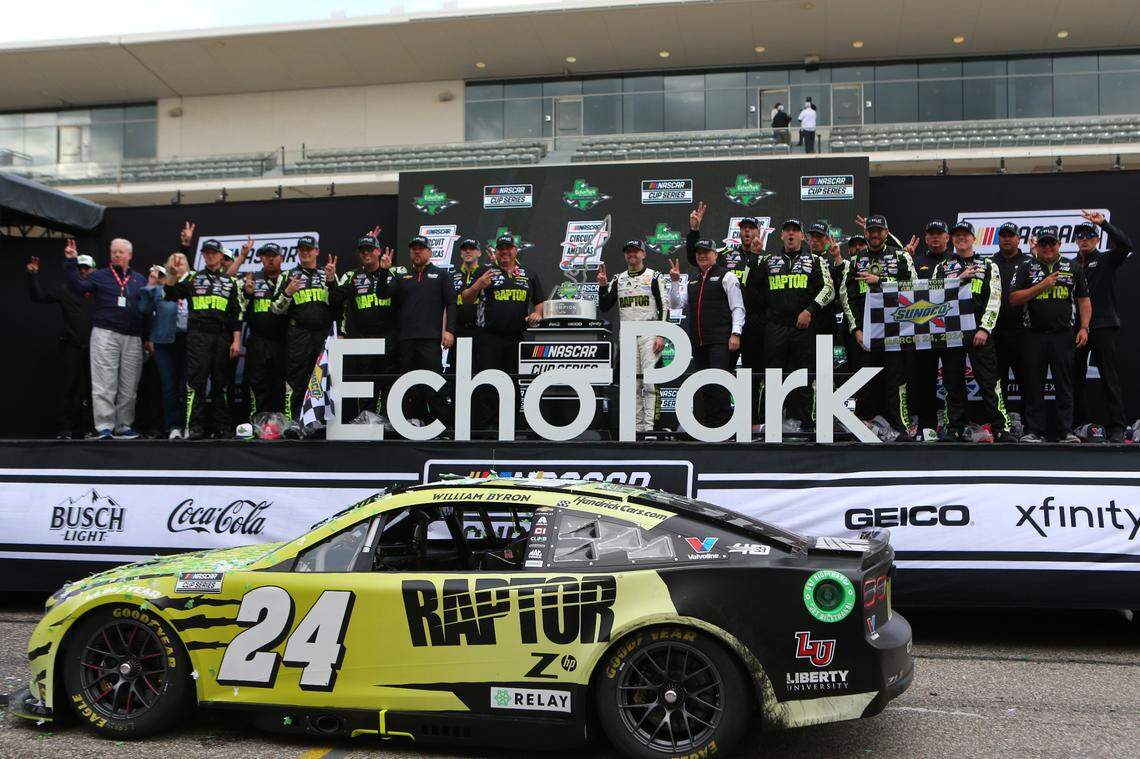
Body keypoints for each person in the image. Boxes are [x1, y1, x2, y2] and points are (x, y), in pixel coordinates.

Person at [746, 220, 834, 431]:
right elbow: (748, 285)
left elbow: (828, 289)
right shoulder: (768, 260)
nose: (791, 234)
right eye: (787, 231)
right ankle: (770, 423)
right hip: (775, 327)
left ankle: (803, 424)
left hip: (802, 327)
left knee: (803, 376)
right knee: (772, 376)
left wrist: (809, 310)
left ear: (802, 237)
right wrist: (754, 256)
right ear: (782, 236)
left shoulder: (814, 260)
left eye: (795, 231)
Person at [1009, 227, 1090, 443]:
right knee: (1033, 383)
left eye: (1051, 243)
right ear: (1037, 245)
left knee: (1064, 384)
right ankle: (1034, 430)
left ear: (1059, 244)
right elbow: (1014, 298)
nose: (1047, 247)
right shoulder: (1026, 266)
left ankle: (1066, 431)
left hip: (1064, 335)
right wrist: (1043, 285)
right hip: (1033, 335)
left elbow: (1084, 300)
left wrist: (1084, 328)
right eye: (1043, 243)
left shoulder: (1072, 267)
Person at [933, 222, 1012, 442]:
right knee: (952, 381)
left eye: (965, 235)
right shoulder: (943, 266)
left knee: (989, 381)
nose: (961, 238)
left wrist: (985, 328)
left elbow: (995, 299)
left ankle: (1000, 427)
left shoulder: (988, 264)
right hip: (951, 331)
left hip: (979, 331)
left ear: (973, 238)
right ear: (952, 239)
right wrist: (958, 279)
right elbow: (933, 296)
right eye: (957, 235)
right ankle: (954, 427)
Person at [838, 214, 915, 440]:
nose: (874, 234)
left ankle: (900, 427)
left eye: (879, 230)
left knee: (895, 380)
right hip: (867, 332)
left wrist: (880, 282)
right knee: (864, 381)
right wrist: (856, 330)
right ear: (866, 233)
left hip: (895, 330)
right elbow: (846, 296)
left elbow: (912, 288)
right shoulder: (854, 260)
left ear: (886, 232)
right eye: (871, 230)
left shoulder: (901, 257)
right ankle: (863, 427)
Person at [687, 202, 765, 424]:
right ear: (739, 232)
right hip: (725, 327)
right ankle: (715, 422)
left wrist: (756, 257)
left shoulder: (767, 259)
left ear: (759, 232)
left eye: (751, 228)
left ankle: (751, 421)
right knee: (718, 375)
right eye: (744, 228)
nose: (747, 231)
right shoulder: (725, 254)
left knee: (752, 375)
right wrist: (694, 231)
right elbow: (698, 258)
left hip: (754, 324)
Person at [64, 237, 148, 439]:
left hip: (132, 336)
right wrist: (71, 262)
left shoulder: (140, 279)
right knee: (104, 381)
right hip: (105, 333)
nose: (117, 255)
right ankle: (104, 426)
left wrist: (147, 338)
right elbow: (79, 287)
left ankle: (124, 425)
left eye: (121, 252)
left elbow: (146, 310)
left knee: (129, 385)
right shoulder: (100, 276)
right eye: (114, 252)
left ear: (130, 255)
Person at [462, 235, 545, 435]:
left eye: (508, 248)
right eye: (501, 249)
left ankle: (511, 425)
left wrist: (538, 313)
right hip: (489, 337)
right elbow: (465, 299)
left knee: (512, 381)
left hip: (516, 337)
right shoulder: (485, 271)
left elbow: (540, 301)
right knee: (487, 382)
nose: (504, 252)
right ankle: (485, 428)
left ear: (516, 250)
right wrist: (477, 285)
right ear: (496, 252)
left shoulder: (528, 274)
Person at [164, 238, 242, 439]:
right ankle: (195, 427)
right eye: (206, 252)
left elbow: (236, 314)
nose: (210, 255)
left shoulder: (230, 281)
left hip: (222, 336)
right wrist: (172, 274)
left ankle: (222, 426)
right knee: (196, 382)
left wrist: (236, 340)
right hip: (198, 335)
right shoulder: (192, 277)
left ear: (220, 255)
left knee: (221, 383)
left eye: (213, 252)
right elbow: (171, 293)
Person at [377, 235, 456, 426]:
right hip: (406, 339)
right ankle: (412, 422)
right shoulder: (402, 276)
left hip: (430, 339)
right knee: (408, 384)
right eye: (414, 249)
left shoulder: (441, 274)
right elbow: (382, 294)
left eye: (421, 248)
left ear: (429, 252)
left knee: (434, 384)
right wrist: (383, 271)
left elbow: (452, 303)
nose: (417, 251)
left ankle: (443, 426)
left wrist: (449, 331)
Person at [667, 239, 745, 428]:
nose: (702, 255)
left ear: (715, 255)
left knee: (719, 383)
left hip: (720, 340)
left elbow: (738, 308)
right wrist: (676, 282)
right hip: (699, 342)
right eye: (699, 252)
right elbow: (676, 304)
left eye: (706, 252)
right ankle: (707, 426)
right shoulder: (693, 281)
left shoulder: (727, 277)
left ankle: (724, 426)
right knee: (704, 386)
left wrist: (736, 333)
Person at [1072, 211, 1133, 443]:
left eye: (1089, 236)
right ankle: (1081, 425)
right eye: (1080, 236)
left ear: (1097, 240)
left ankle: (1117, 425)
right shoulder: (1071, 265)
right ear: (1076, 240)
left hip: (1104, 325)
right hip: (1077, 328)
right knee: (1075, 377)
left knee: (1109, 377)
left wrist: (1104, 224)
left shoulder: (1107, 259)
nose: (1085, 239)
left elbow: (1126, 245)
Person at [597, 240, 669, 433]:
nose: (632, 255)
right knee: (633, 384)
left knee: (650, 382)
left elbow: (664, 306)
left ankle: (651, 429)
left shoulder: (654, 276)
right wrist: (603, 286)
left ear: (643, 254)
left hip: (649, 331)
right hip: (628, 334)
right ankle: (637, 429)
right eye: (628, 252)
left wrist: (661, 335)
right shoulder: (618, 278)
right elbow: (604, 307)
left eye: (636, 252)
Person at [333, 232, 401, 422]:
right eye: (362, 250)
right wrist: (331, 281)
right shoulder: (351, 276)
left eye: (370, 249)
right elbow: (335, 301)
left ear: (378, 251)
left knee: (388, 381)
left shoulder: (394, 273)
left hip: (389, 338)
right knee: (365, 382)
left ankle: (389, 421)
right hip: (363, 339)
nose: (366, 253)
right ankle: (366, 419)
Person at [27, 252, 94, 439]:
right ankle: (66, 428)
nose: (82, 271)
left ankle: (90, 427)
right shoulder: (65, 290)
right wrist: (33, 276)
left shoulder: (98, 290)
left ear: (93, 270)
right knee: (69, 387)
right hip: (73, 346)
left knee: (92, 389)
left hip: (96, 349)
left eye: (86, 268)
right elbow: (38, 297)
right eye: (79, 267)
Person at [271, 235, 336, 420]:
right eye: (302, 249)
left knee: (324, 379)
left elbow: (339, 304)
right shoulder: (288, 275)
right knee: (296, 378)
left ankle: (323, 421)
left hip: (323, 334)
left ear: (317, 251)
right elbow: (275, 309)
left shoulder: (328, 273)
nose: (305, 252)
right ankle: (293, 421)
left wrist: (331, 281)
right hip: (298, 334)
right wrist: (287, 293)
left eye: (309, 248)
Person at [139, 254, 189, 438]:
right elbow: (143, 309)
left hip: (189, 341)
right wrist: (151, 283)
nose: (178, 264)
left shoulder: (194, 287)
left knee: (188, 386)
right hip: (164, 343)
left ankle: (188, 426)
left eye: (181, 261)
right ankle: (173, 426)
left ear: (188, 266)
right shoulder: (159, 290)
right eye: (173, 262)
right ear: (168, 267)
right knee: (169, 387)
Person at [908, 220, 950, 436]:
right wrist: (905, 259)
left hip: (951, 330)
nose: (935, 237)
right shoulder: (916, 262)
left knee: (953, 380)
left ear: (947, 237)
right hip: (923, 331)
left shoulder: (956, 261)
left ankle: (953, 425)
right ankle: (926, 424)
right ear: (926, 238)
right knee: (923, 381)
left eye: (939, 233)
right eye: (931, 234)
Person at [991, 222, 1032, 425]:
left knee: (1028, 382)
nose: (1007, 238)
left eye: (1011, 235)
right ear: (998, 238)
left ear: (1019, 239)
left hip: (1023, 333)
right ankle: (1000, 425)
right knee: (997, 383)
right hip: (996, 333)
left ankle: (1029, 426)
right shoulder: (989, 263)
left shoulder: (1029, 262)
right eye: (1003, 235)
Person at [242, 242, 289, 419]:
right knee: (258, 383)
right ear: (261, 258)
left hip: (282, 340)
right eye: (266, 255)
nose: (270, 259)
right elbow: (239, 310)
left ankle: (281, 423)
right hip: (258, 340)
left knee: (281, 383)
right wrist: (247, 293)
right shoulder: (252, 278)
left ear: (281, 258)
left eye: (274, 255)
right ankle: (258, 423)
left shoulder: (288, 278)